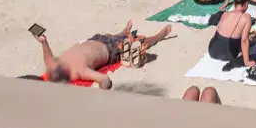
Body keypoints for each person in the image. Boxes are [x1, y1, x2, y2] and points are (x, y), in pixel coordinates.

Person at [38, 22, 171, 88]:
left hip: (95, 39)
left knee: (111, 36)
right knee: (136, 43)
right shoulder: (78, 72)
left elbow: (48, 58)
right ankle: (158, 37)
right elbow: (104, 80)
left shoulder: (54, 65)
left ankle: (124, 32)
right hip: (111, 49)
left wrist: (43, 42)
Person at [208, 0, 253, 65]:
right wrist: (246, 61)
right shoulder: (246, 17)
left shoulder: (225, 14)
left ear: (234, 3)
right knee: (249, 42)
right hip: (228, 54)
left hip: (212, 50)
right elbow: (244, 40)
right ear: (246, 4)